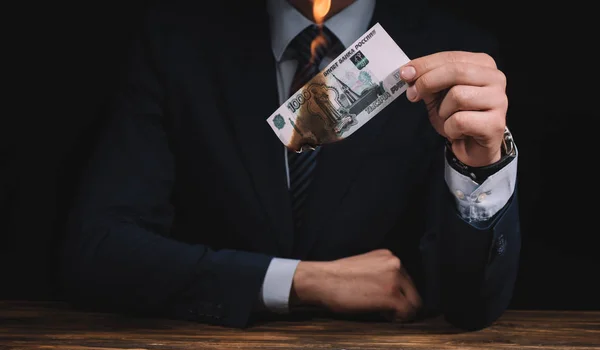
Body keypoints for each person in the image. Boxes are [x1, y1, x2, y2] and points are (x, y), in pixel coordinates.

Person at [61, 0, 520, 330]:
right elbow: (100, 248)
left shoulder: (457, 56)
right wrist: (299, 280)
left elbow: (472, 307)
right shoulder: (177, 38)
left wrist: (481, 168)